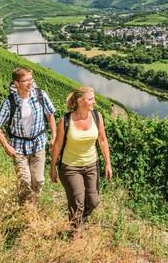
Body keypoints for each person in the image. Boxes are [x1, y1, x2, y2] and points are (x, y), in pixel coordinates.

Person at [50, 86, 112, 231]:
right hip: (70, 167)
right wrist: (52, 167)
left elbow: (102, 141)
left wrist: (108, 164)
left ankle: (79, 221)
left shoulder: (97, 117)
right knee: (78, 203)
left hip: (91, 165)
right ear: (80, 101)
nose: (94, 102)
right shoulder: (66, 120)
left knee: (93, 201)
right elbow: (58, 145)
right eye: (91, 99)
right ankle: (76, 232)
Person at [0, 67, 57, 204]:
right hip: (18, 148)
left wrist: (54, 137)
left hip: (38, 144)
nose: (30, 83)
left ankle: (33, 205)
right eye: (25, 80)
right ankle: (23, 207)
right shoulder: (9, 102)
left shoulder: (40, 95)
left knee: (38, 181)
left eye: (31, 79)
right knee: (25, 181)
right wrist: (6, 146)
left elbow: (50, 115)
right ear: (16, 83)